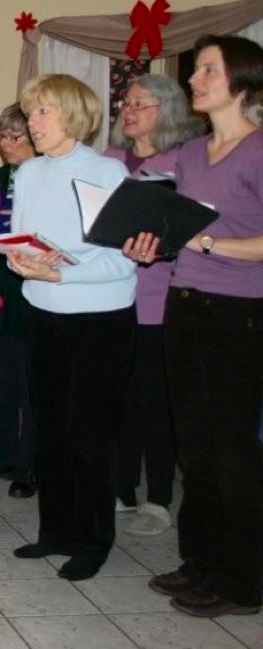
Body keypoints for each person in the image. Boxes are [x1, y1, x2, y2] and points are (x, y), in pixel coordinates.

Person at [125, 35, 263, 618]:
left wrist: (206, 241)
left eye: (209, 69)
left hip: (239, 315)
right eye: (197, 69)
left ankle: (243, 581)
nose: (195, 79)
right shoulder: (191, 152)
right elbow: (162, 220)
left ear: (243, 82)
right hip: (184, 305)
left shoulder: (258, 150)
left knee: (231, 451)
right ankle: (201, 561)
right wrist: (142, 242)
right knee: (196, 447)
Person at [8, 74, 136, 582]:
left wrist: (60, 270)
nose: (32, 124)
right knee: (50, 429)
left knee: (90, 435)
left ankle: (93, 540)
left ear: (74, 115)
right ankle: (55, 531)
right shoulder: (31, 172)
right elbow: (24, 241)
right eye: (31, 113)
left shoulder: (106, 172)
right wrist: (22, 262)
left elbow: (123, 263)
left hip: (99, 318)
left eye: (43, 112)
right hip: (44, 310)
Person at [106, 75, 203, 536]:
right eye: (126, 102)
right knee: (118, 400)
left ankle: (159, 498)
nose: (129, 110)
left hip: (156, 300)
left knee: (154, 402)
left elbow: (195, 226)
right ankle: (122, 489)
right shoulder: (106, 160)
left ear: (167, 111)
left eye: (141, 103)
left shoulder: (184, 162)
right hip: (108, 299)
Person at [0, 105, 39, 499]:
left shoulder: (46, 176)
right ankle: (2, 452)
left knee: (30, 380)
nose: (6, 144)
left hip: (34, 286)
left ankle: (30, 463)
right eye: (2, 136)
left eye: (15, 137)